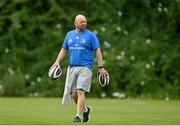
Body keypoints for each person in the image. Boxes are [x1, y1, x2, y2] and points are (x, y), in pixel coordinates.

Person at [51, 14, 108, 123]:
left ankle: (77, 116)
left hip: (86, 67)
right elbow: (64, 49)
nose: (84, 23)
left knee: (80, 91)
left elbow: (98, 51)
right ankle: (85, 110)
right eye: (81, 22)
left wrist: (100, 67)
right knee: (73, 95)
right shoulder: (69, 35)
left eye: (85, 21)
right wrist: (57, 62)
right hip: (72, 67)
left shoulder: (91, 36)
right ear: (75, 23)